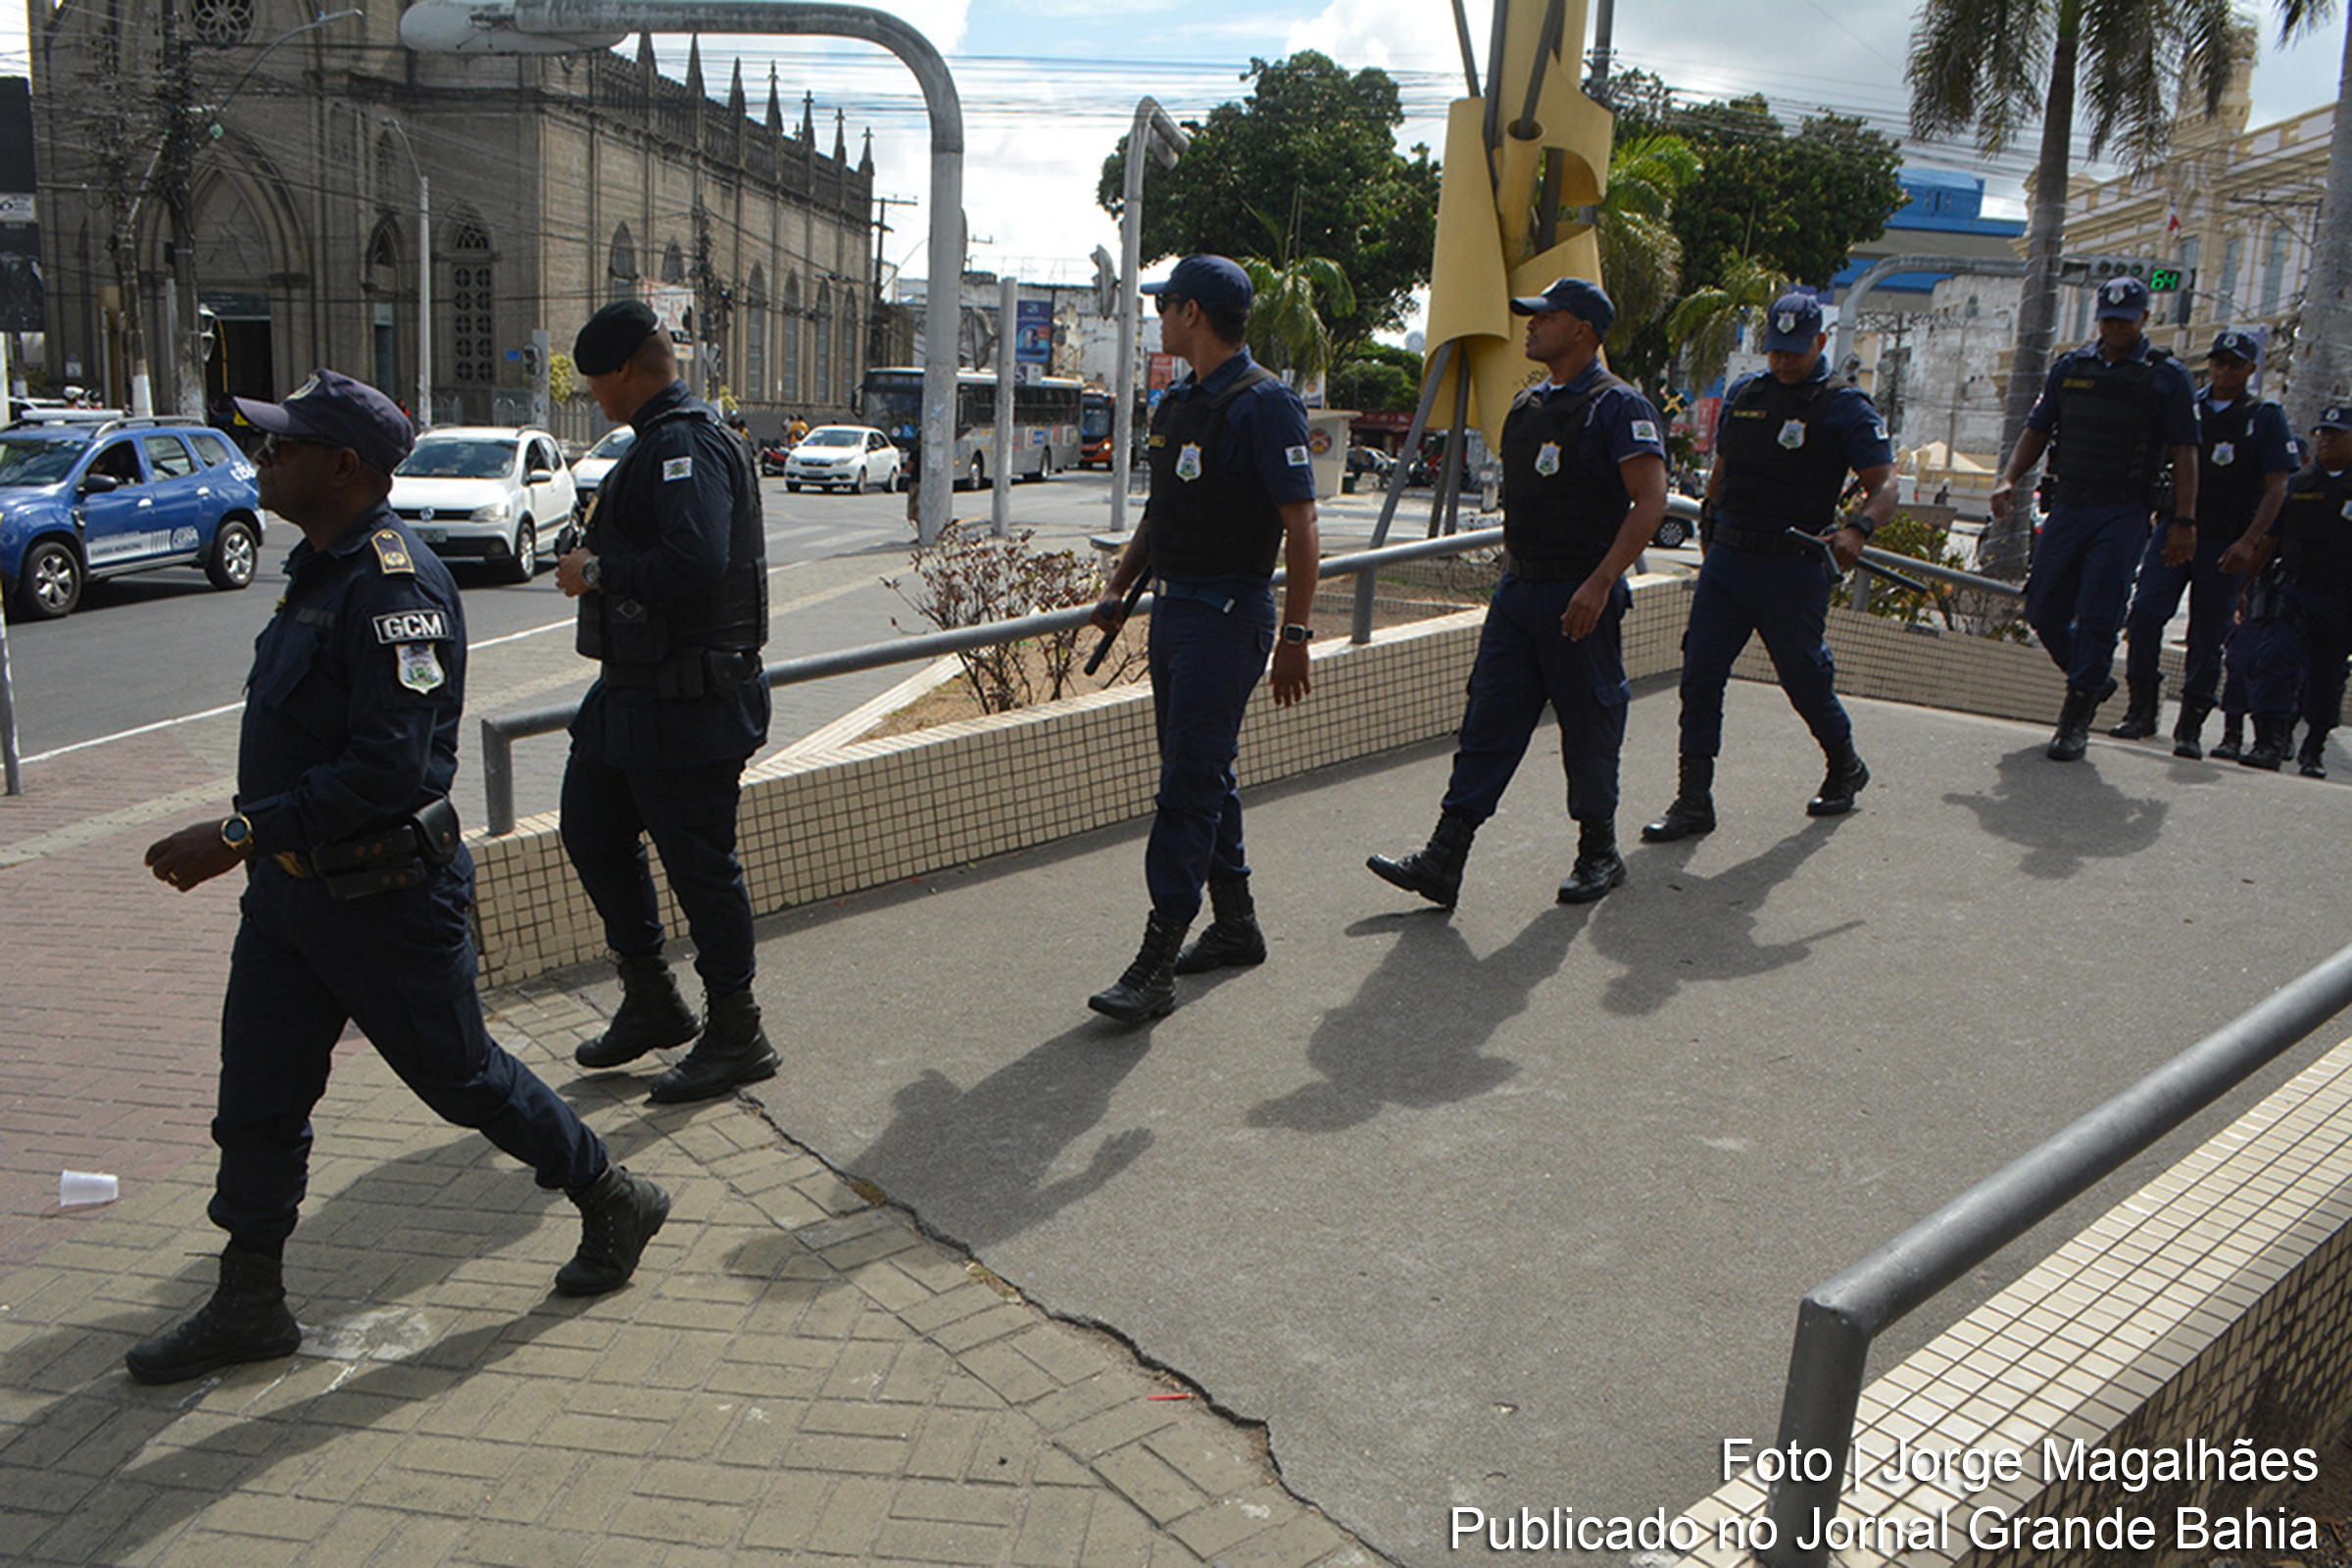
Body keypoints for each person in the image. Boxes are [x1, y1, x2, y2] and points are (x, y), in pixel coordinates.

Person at [131, 371, 667, 1385]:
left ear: (344, 467)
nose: (264, 459)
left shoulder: (394, 586)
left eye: (284, 448)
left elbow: (387, 773)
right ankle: (249, 1297)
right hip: (291, 901)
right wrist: (263, 851)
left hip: (382, 900)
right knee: (255, 1098)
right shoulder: (318, 571)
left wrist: (239, 831)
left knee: (464, 1081)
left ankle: (612, 1195)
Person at [1368, 276, 1669, 907]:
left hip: (1579, 594)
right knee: (1488, 720)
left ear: (1583, 330)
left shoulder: (1618, 406)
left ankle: (1599, 852)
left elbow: (1650, 504)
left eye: (1545, 317)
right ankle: (1444, 858)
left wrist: (1601, 581)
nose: (1529, 326)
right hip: (1520, 593)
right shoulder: (1528, 405)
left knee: (1588, 724)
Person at [1085, 254, 1320, 1022]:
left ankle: (1156, 959)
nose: (1159, 315)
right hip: (1175, 614)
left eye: (1166, 304)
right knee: (1204, 773)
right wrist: (1120, 588)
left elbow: (1302, 524)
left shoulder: (1265, 405)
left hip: (1229, 618)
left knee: (1187, 784)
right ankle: (1236, 923)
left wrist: (1296, 633)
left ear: (1194, 314)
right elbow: (1161, 513)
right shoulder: (1178, 401)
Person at [556, 301, 778, 1102]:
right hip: (634, 697)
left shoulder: (683, 442)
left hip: (690, 700)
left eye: (595, 382)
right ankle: (652, 997)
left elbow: (695, 558)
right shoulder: (654, 444)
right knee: (590, 826)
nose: (593, 397)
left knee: (701, 869)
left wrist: (600, 571)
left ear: (622, 371)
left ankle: (737, 1029)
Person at [1641, 291, 1894, 844]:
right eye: (1777, 350)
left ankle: (1844, 761)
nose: (1784, 361)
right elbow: (1722, 473)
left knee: (1804, 679)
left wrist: (1858, 528)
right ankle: (1693, 799)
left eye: (1796, 350)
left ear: (1821, 342)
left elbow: (1886, 484)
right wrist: (1710, 534)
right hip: (1728, 560)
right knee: (1700, 674)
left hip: (1792, 565)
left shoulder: (1844, 405)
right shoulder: (1744, 394)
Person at [1989, 273, 2199, 760]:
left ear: (2145, 319)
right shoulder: (2071, 367)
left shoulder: (2166, 375)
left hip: (2124, 509)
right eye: (2108, 319)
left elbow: (2186, 452)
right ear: (2097, 317)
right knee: (2041, 607)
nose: (2115, 328)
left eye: (2125, 321)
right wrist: (2008, 477)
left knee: (2101, 612)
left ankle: (2075, 717)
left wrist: (2185, 520)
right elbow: (2037, 429)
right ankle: (2092, 679)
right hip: (2068, 504)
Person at [2107, 330, 2294, 757]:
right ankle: (2141, 710)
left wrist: (2250, 541)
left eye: (2235, 363)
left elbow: (2277, 487)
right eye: (2219, 361)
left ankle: (2190, 725)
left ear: (2251, 368)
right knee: (2145, 614)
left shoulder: (2263, 416)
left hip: (2225, 538)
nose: (2225, 370)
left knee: (2208, 635)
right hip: (2175, 528)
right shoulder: (2188, 404)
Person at [2232, 405, 2352, 775]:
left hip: (2342, 600)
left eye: (2337, 433)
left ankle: (2312, 749)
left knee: (2327, 677)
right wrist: (2243, 586)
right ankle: (2269, 742)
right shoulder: (2299, 484)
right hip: (2294, 592)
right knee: (2274, 661)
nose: (2327, 439)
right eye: (2323, 432)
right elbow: (2269, 541)